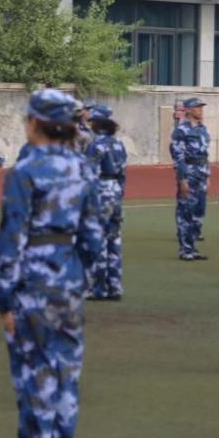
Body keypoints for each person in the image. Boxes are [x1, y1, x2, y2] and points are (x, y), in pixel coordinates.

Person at [0, 88, 103, 438]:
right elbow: (94, 237)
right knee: (66, 373)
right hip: (69, 278)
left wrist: (3, 298)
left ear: (35, 123)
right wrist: (78, 274)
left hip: (32, 284)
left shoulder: (25, 171)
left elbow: (11, 240)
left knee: (35, 376)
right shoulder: (82, 167)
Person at [85, 104, 127, 301]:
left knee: (98, 241)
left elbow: (90, 175)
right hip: (115, 192)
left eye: (92, 121)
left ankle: (99, 288)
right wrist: (119, 192)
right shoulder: (118, 144)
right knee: (114, 240)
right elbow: (123, 173)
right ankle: (115, 286)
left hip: (100, 193)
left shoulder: (95, 145)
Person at [170, 97, 210, 261]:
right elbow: (178, 156)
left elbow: (205, 154)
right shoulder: (181, 130)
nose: (200, 110)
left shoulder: (202, 128)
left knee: (199, 211)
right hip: (189, 172)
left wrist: (207, 175)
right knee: (185, 210)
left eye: (201, 107)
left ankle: (192, 247)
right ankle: (185, 249)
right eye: (197, 107)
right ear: (187, 110)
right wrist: (183, 179)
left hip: (202, 173)